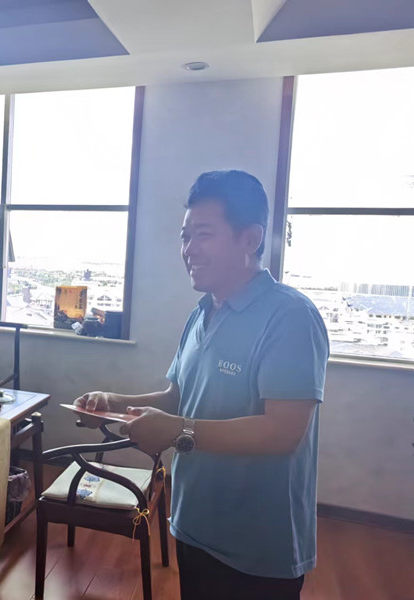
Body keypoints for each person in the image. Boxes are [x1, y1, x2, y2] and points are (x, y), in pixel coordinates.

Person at [75, 170, 328, 600]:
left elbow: (282, 432)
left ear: (250, 239)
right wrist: (114, 404)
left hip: (256, 547)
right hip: (193, 524)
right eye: (185, 236)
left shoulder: (290, 317)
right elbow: (178, 395)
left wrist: (177, 431)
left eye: (204, 235)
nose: (189, 249)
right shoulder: (202, 313)